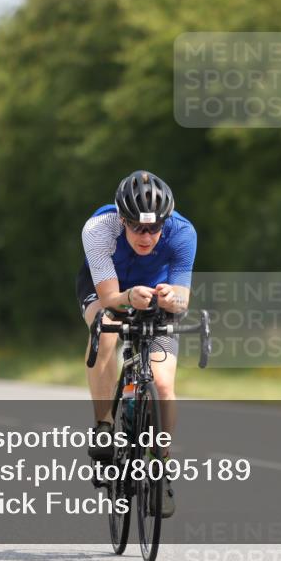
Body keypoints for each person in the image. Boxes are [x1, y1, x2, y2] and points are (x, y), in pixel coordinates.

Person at [77, 170, 197, 518]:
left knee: (161, 384)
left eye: (154, 228)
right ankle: (103, 425)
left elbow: (184, 298)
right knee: (108, 328)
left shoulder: (183, 232)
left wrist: (172, 299)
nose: (146, 237)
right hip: (109, 287)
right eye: (137, 228)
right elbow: (111, 298)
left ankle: (161, 467)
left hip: (156, 292)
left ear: (166, 222)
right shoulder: (99, 229)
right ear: (123, 219)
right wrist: (128, 296)